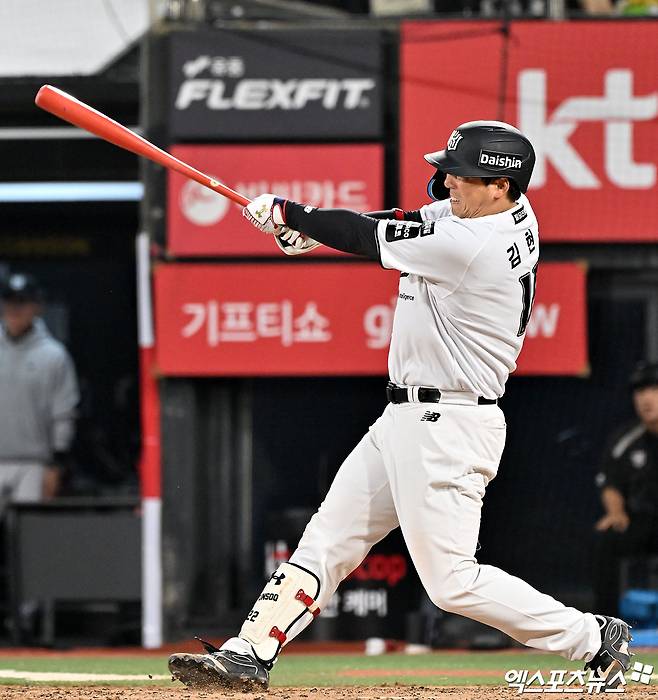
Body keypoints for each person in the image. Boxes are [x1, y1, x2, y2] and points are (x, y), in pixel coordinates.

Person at [168, 121, 632, 690]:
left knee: (452, 583)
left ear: (501, 186)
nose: (448, 181)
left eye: (462, 174)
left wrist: (292, 213)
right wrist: (311, 231)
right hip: (408, 417)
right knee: (326, 540)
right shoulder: (489, 214)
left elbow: (371, 237)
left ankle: (592, 638)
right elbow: (403, 220)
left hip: (448, 424)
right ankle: (249, 652)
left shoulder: (475, 245)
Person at [0, 273, 79, 514]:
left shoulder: (53, 355)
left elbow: (64, 413)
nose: (15, 310)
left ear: (36, 307)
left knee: (28, 530)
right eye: (9, 302)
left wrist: (56, 466)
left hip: (34, 463)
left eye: (22, 302)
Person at [592, 361, 658, 617]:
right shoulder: (625, 439)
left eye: (654, 390)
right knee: (606, 540)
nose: (646, 399)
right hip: (641, 521)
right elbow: (610, 483)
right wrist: (616, 512)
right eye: (640, 392)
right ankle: (607, 624)